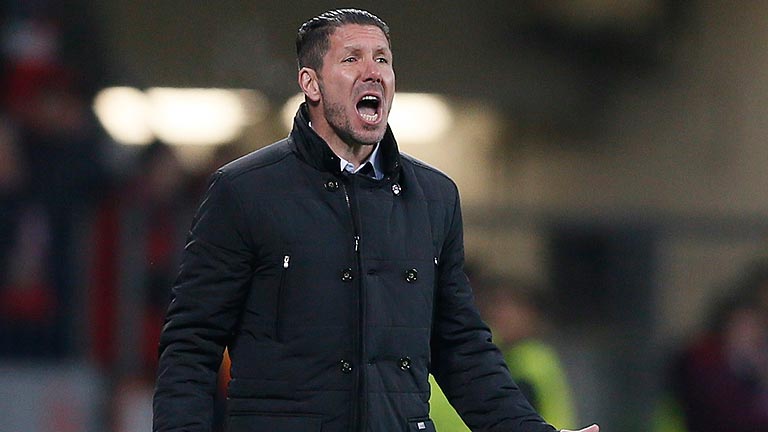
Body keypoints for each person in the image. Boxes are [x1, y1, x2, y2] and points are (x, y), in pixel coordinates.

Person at [153, 9, 599, 432]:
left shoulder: (435, 198)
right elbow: (192, 343)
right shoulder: (244, 191)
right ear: (311, 83)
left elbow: (461, 348)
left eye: (382, 59)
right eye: (352, 59)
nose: (373, 72)